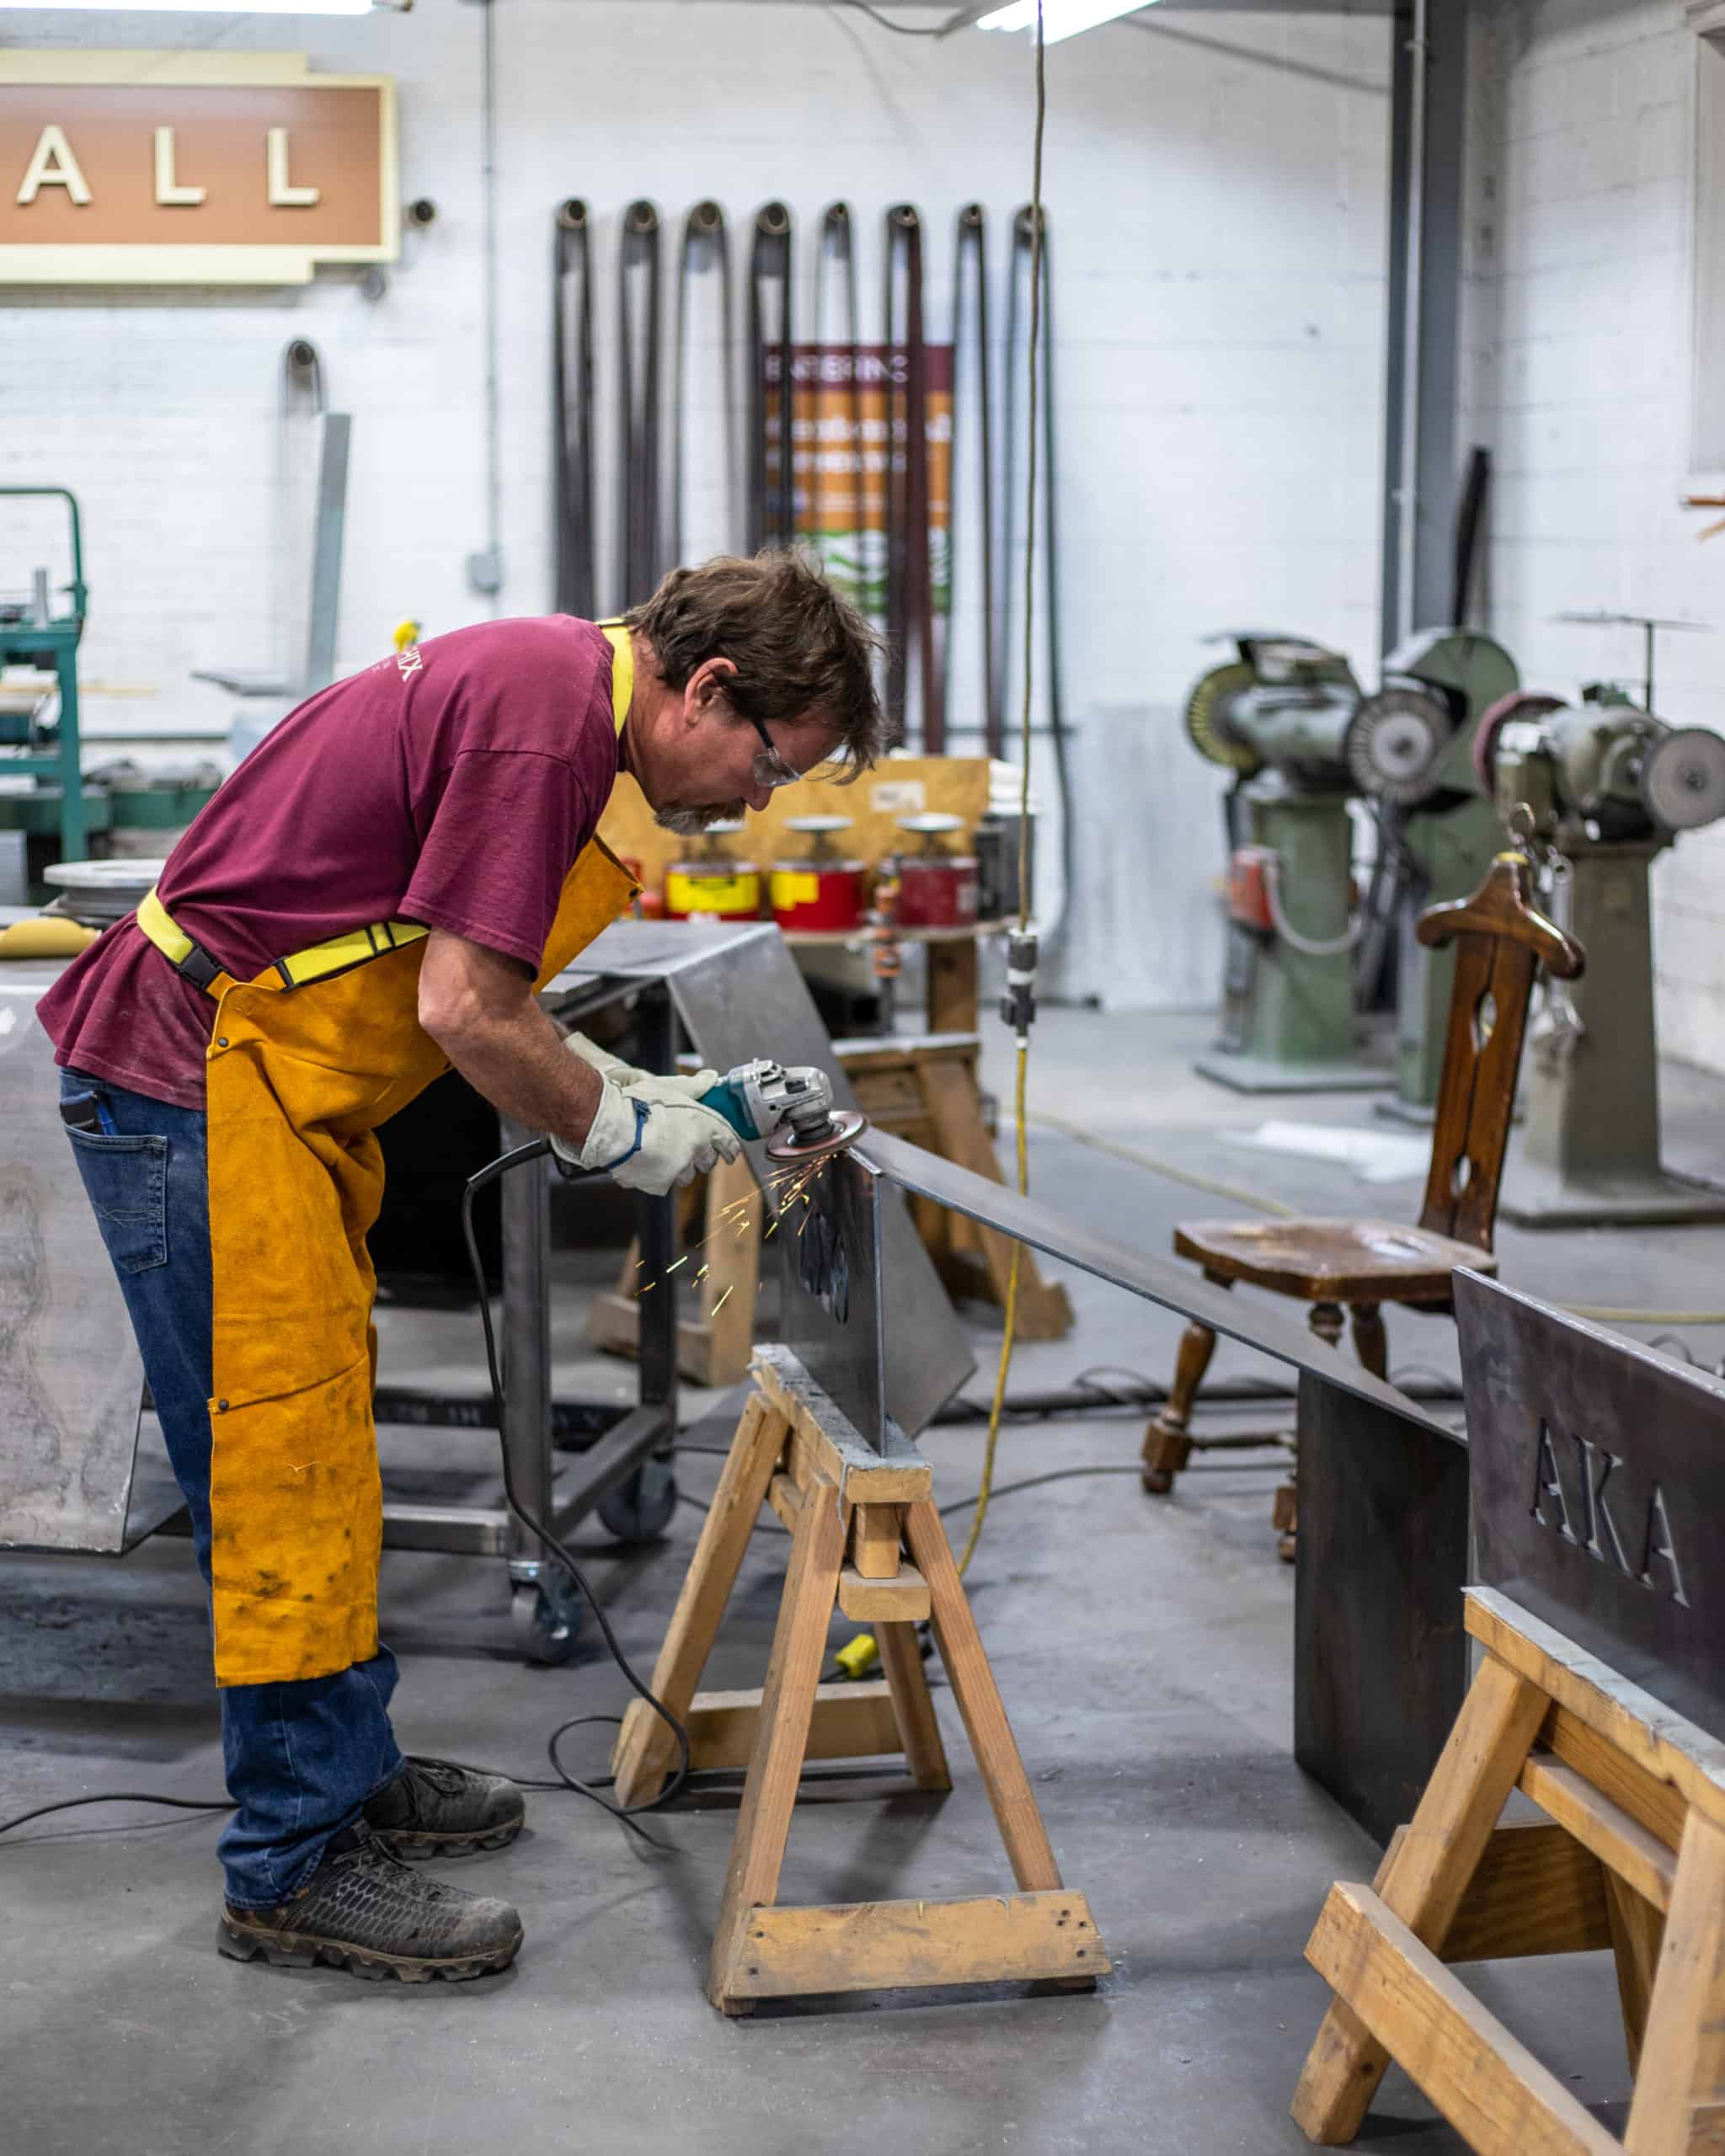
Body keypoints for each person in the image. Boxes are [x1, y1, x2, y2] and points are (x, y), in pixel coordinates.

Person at [36, 552, 885, 1983]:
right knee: (274, 1468)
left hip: (265, 1098)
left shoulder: (563, 692)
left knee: (325, 1450)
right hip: (194, 1085)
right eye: (765, 763)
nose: (755, 799)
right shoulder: (544, 720)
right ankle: (291, 1867)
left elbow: (481, 984)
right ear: (713, 687)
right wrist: (633, 1135)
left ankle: (346, 1772)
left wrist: (674, 1103)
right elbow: (467, 1011)